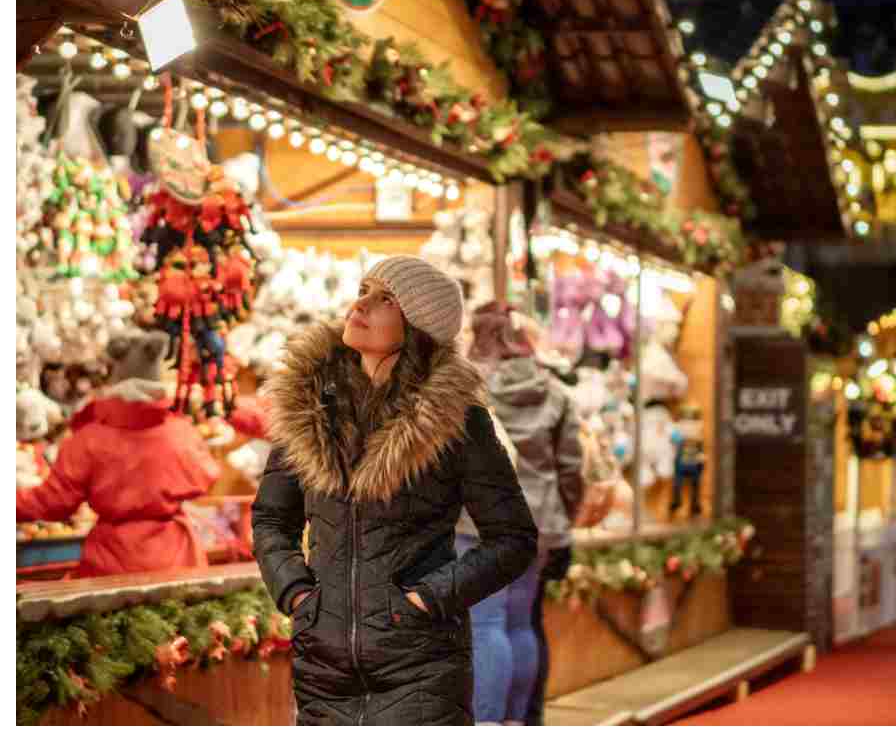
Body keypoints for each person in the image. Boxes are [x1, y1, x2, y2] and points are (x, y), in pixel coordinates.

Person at [252, 256, 538, 725]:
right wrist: (298, 596)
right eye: (363, 289)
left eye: (384, 299)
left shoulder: (454, 420)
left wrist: (427, 600)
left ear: (418, 327)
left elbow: (513, 538)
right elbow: (271, 519)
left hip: (422, 666)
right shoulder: (310, 409)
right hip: (324, 669)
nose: (360, 304)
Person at [455, 301, 584, 725]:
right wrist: (563, 522)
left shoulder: (467, 387)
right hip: (539, 521)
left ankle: (488, 724)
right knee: (519, 622)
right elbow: (570, 468)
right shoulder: (557, 392)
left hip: (480, 522)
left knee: (486, 624)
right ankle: (518, 722)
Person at [17, 329, 223, 577]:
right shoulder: (182, 432)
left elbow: (53, 503)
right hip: (179, 560)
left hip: (113, 563)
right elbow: (208, 476)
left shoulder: (88, 440)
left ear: (115, 382)